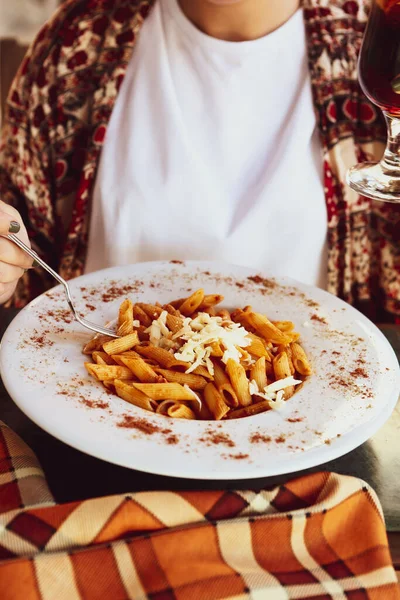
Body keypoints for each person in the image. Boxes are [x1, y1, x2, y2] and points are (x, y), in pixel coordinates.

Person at [0, 0, 399, 321]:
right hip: (84, 396)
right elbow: (20, 258)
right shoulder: (76, 43)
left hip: (320, 409)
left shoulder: (380, 39)